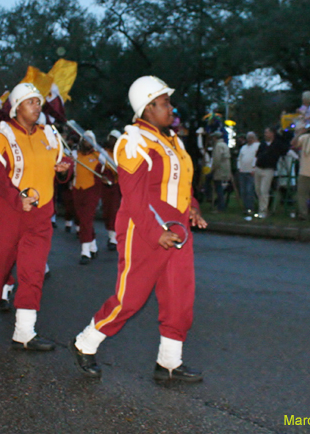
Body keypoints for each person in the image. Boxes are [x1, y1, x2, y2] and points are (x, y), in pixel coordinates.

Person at [70, 75, 207, 382]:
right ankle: (85, 343)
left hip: (178, 230)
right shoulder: (133, 141)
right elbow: (133, 197)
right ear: (147, 108)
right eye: (164, 102)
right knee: (130, 298)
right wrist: (155, 232)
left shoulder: (173, 140)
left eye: (169, 101)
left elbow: (180, 184)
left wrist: (193, 207)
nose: (170, 107)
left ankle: (169, 363)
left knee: (179, 296)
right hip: (144, 230)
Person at [0, 82, 68, 350]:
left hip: (40, 213)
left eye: (38, 102)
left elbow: (64, 165)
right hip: (5, 211)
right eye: (31, 102)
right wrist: (18, 200)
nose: (37, 106)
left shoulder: (50, 134)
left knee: (33, 271)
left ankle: (24, 333)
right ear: (16, 107)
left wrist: (63, 170)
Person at [72, 131, 103, 265]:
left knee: (86, 218)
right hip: (77, 190)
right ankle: (93, 245)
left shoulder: (100, 156)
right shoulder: (74, 155)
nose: (87, 142)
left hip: (92, 190)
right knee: (82, 219)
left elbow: (109, 171)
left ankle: (85, 252)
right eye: (84, 139)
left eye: (89, 139)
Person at [254, 126, 287, 219]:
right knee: (258, 190)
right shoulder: (263, 144)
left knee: (264, 190)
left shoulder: (277, 144)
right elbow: (257, 155)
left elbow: (285, 150)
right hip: (259, 168)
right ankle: (261, 207)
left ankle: (263, 211)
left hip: (269, 169)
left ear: (272, 134)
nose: (265, 134)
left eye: (267, 132)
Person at [100, 130, 122, 250]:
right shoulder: (103, 153)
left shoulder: (121, 154)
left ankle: (115, 237)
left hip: (118, 186)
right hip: (106, 186)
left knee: (116, 211)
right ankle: (110, 234)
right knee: (108, 211)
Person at [237, 131, 259, 215]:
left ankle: (250, 207)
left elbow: (256, 158)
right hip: (243, 171)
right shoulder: (244, 147)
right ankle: (245, 207)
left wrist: (254, 168)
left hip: (251, 172)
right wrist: (239, 167)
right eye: (248, 137)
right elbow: (239, 158)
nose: (249, 139)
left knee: (250, 190)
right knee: (243, 191)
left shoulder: (257, 146)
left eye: (251, 137)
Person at [211, 131, 231, 211]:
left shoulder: (218, 146)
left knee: (218, 188)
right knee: (222, 188)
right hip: (225, 168)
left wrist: (213, 169)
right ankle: (221, 204)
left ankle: (220, 205)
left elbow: (217, 159)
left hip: (220, 169)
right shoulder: (224, 145)